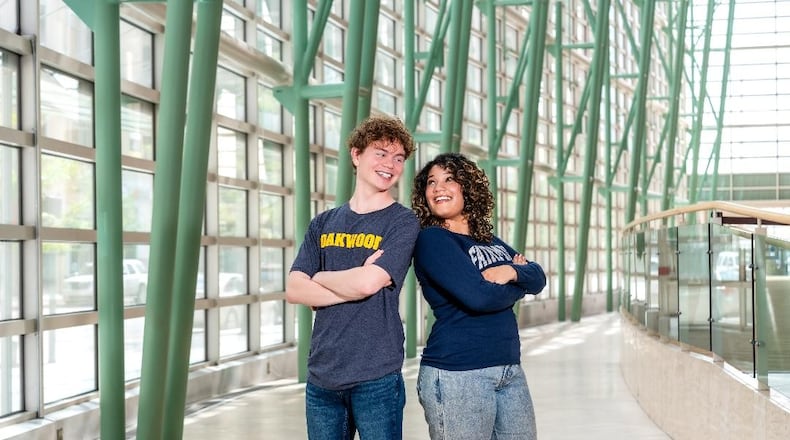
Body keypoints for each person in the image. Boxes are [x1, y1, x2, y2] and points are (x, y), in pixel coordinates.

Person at [285, 115, 419, 440]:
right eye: (381, 153)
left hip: (376, 377)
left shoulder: (403, 222)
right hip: (322, 378)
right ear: (356, 155)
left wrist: (319, 276)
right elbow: (295, 289)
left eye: (398, 158)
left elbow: (367, 283)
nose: (390, 164)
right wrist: (354, 282)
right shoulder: (323, 223)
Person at [411, 152, 546, 440]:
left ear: (468, 188)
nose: (438, 188)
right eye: (431, 182)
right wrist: (518, 280)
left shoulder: (489, 241)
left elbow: (538, 277)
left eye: (449, 179)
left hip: (509, 368)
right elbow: (479, 298)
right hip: (458, 373)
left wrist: (508, 272)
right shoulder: (433, 240)